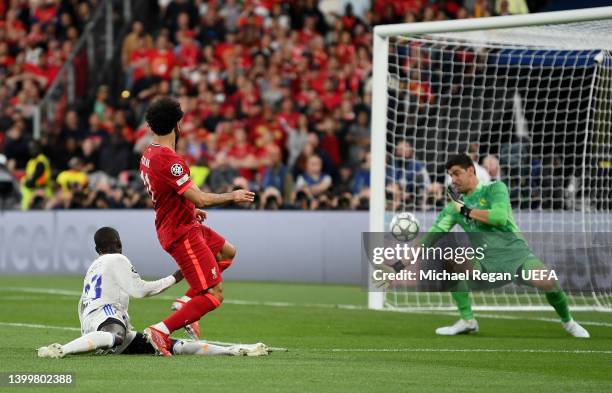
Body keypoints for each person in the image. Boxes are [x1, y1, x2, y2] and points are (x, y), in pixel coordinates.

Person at [402, 154, 590, 338]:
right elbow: (431, 238)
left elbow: (499, 218)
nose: (453, 179)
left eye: (457, 173)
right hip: (485, 264)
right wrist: (400, 264)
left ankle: (569, 322)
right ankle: (467, 321)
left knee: (548, 281)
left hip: (517, 257)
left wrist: (466, 211)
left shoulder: (495, 189)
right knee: (452, 261)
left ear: (470, 171)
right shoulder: (454, 208)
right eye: (451, 175)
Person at [37, 227, 267, 358]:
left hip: (91, 321)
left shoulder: (95, 266)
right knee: (116, 335)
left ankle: (234, 351)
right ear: (119, 243)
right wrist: (176, 277)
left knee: (167, 344)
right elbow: (141, 291)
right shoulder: (117, 258)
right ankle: (61, 349)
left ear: (98, 249)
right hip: (105, 314)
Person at [139, 97, 255, 356]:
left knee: (227, 252)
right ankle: (160, 331)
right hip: (181, 232)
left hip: (183, 221)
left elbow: (169, 193)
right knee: (214, 294)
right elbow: (200, 196)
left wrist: (190, 207)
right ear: (178, 125)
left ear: (151, 127)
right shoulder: (171, 161)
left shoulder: (149, 154)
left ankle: (186, 300)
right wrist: (231, 196)